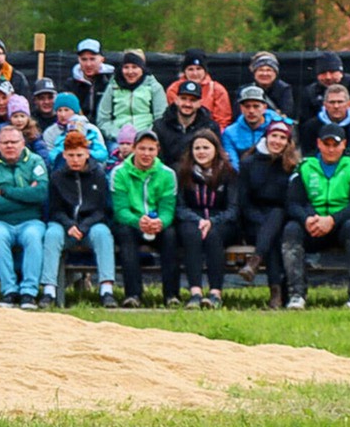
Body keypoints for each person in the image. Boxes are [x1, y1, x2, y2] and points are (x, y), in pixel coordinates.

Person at [280, 123, 350, 310]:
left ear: (344, 144)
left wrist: (333, 220)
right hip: (312, 224)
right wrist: (307, 219)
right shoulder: (305, 166)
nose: (330, 149)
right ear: (318, 144)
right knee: (291, 230)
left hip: (341, 224)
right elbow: (292, 203)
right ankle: (296, 294)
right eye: (326, 144)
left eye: (335, 145)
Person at [38, 129, 115, 309]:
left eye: (79, 155)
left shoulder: (98, 175)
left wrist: (84, 226)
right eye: (71, 155)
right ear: (64, 155)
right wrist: (69, 225)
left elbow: (101, 210)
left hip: (91, 226)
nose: (75, 159)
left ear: (87, 153)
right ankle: (49, 290)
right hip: (65, 225)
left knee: (103, 234)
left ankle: (106, 289)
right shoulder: (57, 177)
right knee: (51, 234)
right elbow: (55, 210)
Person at [0, 124, 49, 309]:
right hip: (0, 222)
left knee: (34, 237)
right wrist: (26, 196)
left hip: (32, 221)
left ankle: (29, 292)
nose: (10, 146)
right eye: (5, 142)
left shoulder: (36, 161)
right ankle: (9, 291)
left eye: (14, 142)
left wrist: (6, 191)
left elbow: (41, 194)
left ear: (23, 143)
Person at [111, 129, 179, 309]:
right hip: (131, 222)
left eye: (151, 149)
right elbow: (120, 209)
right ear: (133, 148)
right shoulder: (119, 173)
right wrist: (138, 221)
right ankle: (133, 294)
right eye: (142, 149)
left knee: (171, 235)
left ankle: (172, 295)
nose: (146, 154)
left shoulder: (167, 174)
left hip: (157, 223)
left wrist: (161, 222)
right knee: (125, 234)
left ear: (157, 150)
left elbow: (168, 209)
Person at [235, 119, 297, 306]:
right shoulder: (248, 163)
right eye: (274, 136)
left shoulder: (292, 166)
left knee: (277, 217)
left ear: (288, 142)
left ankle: (255, 262)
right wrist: (263, 223)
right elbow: (243, 203)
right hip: (253, 222)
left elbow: (290, 203)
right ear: (266, 137)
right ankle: (276, 293)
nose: (277, 141)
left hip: (281, 220)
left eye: (282, 138)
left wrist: (270, 224)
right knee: (271, 234)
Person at [174, 129, 236, 309]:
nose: (201, 152)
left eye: (206, 147)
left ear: (216, 149)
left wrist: (213, 222)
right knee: (191, 235)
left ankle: (215, 293)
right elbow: (179, 206)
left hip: (221, 221)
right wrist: (198, 220)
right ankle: (195, 293)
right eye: (197, 148)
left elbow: (233, 208)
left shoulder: (228, 173)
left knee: (213, 236)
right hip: (192, 219)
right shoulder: (182, 172)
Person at [97, 49, 166, 142]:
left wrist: (145, 135)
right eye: (126, 67)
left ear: (142, 68)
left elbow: (160, 119)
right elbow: (103, 119)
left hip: (146, 137)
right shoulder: (113, 87)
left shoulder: (154, 87)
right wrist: (119, 135)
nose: (130, 71)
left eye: (134, 67)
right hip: (118, 139)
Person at [298, 81, 350, 162]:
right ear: (325, 105)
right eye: (332, 102)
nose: (336, 106)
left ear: (349, 104)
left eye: (340, 102)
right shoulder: (310, 127)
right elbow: (308, 156)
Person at [153, 79, 218, 165]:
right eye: (183, 99)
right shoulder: (160, 126)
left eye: (193, 100)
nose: (187, 104)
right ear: (176, 100)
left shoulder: (210, 127)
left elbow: (216, 157)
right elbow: (156, 157)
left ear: (200, 103)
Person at [300, 52, 350, 123]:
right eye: (323, 73)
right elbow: (305, 119)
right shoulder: (311, 92)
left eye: (332, 72)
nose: (328, 77)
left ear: (341, 72)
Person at [221, 84, 284, 169]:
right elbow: (233, 163)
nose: (251, 111)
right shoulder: (229, 133)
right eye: (247, 106)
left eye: (256, 106)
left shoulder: (279, 128)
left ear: (264, 107)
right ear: (241, 108)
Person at [165, 49, 232, 126]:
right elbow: (171, 117)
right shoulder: (174, 89)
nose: (195, 73)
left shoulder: (217, 90)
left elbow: (222, 122)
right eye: (190, 69)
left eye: (199, 69)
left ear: (205, 71)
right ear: (184, 71)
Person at [42, 92, 105, 164]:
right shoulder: (49, 133)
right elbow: (51, 159)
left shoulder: (91, 130)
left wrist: (85, 153)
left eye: (66, 110)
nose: (63, 114)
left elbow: (103, 156)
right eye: (59, 110)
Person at [67, 39, 112, 120]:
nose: (88, 64)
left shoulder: (112, 81)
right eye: (84, 59)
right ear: (78, 60)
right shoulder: (70, 85)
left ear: (102, 59)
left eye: (92, 59)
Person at [247, 52, 294, 118]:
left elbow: (286, 114)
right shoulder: (245, 90)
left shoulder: (284, 89)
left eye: (269, 70)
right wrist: (273, 113)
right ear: (254, 73)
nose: (265, 74)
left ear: (275, 73)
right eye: (261, 70)